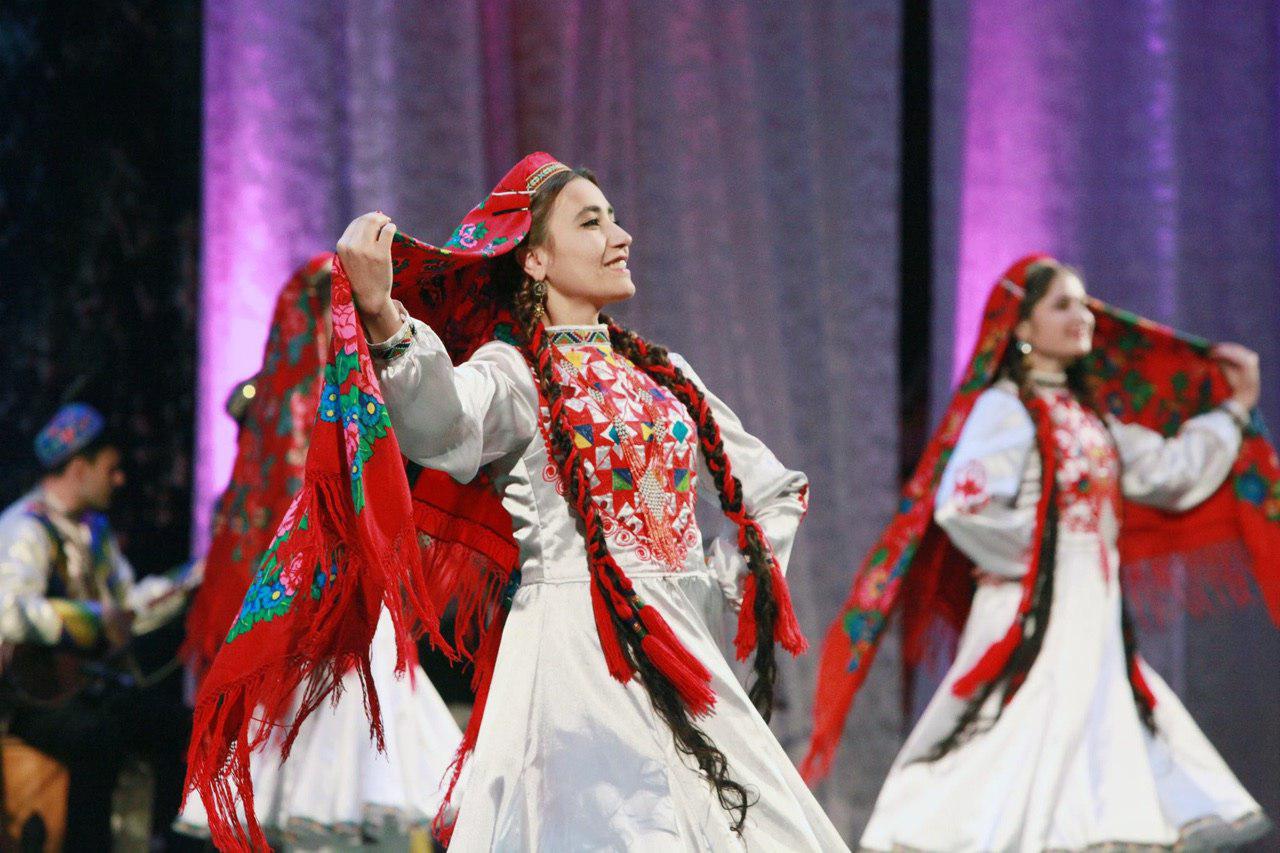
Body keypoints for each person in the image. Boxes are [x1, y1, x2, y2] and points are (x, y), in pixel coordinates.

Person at [186, 153, 846, 851]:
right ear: (533, 258)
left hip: (681, 659)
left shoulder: (664, 376)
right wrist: (383, 318)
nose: (619, 237)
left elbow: (774, 489)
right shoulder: (514, 372)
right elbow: (441, 424)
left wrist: (719, 589)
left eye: (615, 220)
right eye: (592, 223)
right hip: (573, 661)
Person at [805, 256, 1275, 850]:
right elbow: (963, 506)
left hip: (1093, 616)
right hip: (1032, 610)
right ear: (1022, 327)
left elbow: (1169, 471)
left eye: (1084, 304)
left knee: (1085, 754)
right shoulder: (1005, 407)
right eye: (1063, 305)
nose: (1083, 316)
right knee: (1020, 740)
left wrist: (1235, 409)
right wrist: (1037, 561)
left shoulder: (1088, 416)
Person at [175, 255, 464, 848]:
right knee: (347, 769)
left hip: (316, 599)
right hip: (337, 599)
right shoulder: (341, 397)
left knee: (326, 769)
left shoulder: (293, 403)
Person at [0, 403, 201, 850]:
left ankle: (169, 840)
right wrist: (93, 621)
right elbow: (9, 613)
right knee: (97, 740)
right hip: (28, 702)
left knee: (179, 726)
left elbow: (125, 605)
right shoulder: (23, 529)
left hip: (82, 691)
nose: (119, 479)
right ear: (77, 468)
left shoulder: (93, 531)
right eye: (110, 469)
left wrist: (195, 577)